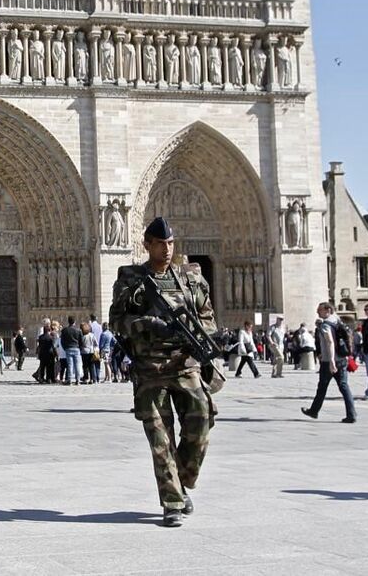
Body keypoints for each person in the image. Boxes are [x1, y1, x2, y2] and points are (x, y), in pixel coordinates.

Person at [109, 217, 218, 527]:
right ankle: (171, 502)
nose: (167, 249)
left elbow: (208, 318)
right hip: (150, 371)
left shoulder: (192, 279)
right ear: (147, 245)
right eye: (160, 244)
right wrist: (144, 325)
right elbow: (116, 321)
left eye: (170, 244)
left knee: (201, 427)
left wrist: (203, 335)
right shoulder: (131, 280)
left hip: (186, 365)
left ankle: (183, 483)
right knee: (161, 440)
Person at [301, 303, 357, 422]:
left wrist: (331, 360)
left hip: (329, 361)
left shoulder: (326, 325)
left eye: (319, 310)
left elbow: (330, 342)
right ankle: (351, 414)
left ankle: (314, 411)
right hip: (342, 359)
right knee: (344, 386)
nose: (317, 312)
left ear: (328, 310)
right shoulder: (337, 321)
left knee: (322, 387)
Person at [60, 316, 83, 385]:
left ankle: (69, 380)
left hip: (68, 348)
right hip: (76, 348)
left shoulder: (64, 330)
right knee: (77, 365)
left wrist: (65, 348)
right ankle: (77, 380)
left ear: (68, 321)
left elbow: (62, 341)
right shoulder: (78, 330)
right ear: (74, 322)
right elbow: (81, 341)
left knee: (70, 365)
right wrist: (80, 348)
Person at [34, 319, 54, 383]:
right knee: (48, 366)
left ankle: (41, 378)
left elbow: (39, 343)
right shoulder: (51, 337)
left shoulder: (41, 337)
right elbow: (53, 345)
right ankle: (48, 379)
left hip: (42, 353)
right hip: (49, 353)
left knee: (42, 366)